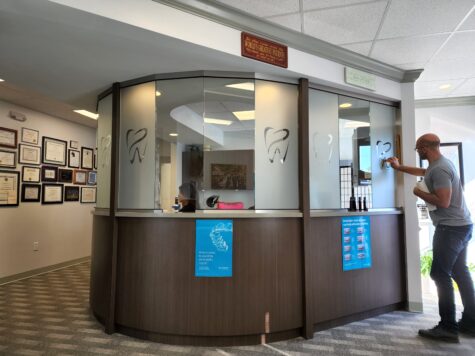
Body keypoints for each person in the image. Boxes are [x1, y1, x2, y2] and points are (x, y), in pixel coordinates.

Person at [387, 133, 475, 343]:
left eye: (418, 147)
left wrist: (419, 192)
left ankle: (447, 327)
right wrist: (399, 168)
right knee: (460, 272)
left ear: (426, 147)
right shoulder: (440, 165)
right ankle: (471, 322)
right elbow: (424, 172)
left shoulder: (441, 169)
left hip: (450, 229)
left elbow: (443, 202)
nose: (417, 150)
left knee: (439, 274)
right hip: (461, 226)